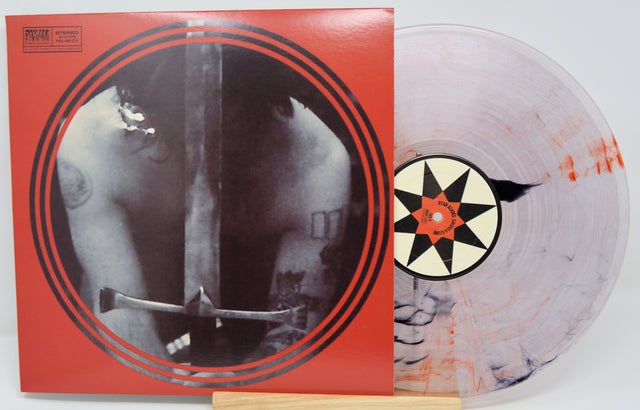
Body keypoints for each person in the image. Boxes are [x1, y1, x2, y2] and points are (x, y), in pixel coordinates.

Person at [52, 44, 360, 365]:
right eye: (181, 126)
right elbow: (124, 322)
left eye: (230, 118)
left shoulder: (316, 165)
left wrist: (234, 386)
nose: (205, 143)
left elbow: (292, 335)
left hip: (248, 347)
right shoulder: (93, 142)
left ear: (261, 97)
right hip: (129, 355)